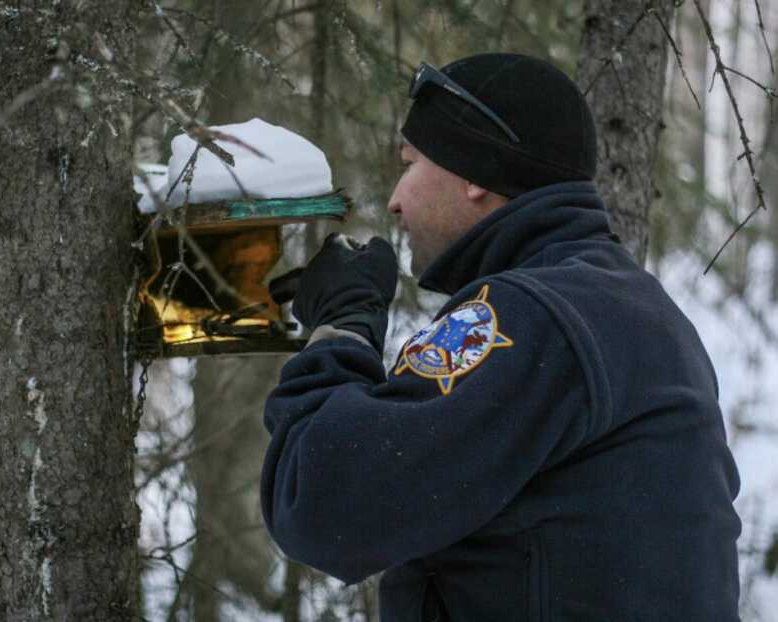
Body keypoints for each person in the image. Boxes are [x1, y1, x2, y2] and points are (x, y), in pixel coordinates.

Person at [260, 53, 741, 621]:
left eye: (409, 164)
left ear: (474, 176)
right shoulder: (621, 301)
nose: (395, 199)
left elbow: (325, 506)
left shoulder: (532, 316)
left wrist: (343, 328)